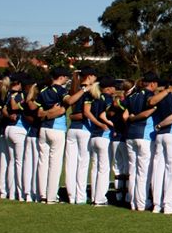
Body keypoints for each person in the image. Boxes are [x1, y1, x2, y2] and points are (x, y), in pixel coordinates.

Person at [38, 67, 85, 204]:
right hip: (56, 129)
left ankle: (42, 195)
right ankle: (51, 197)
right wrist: (83, 90)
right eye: (66, 77)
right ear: (61, 77)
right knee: (55, 165)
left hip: (44, 129)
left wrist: (48, 113)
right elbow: (70, 101)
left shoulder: (43, 91)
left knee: (43, 163)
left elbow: (39, 113)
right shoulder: (60, 90)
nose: (66, 80)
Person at [148, 74, 172, 214]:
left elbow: (151, 102)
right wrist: (161, 125)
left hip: (160, 136)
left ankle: (157, 204)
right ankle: (169, 204)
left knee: (158, 169)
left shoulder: (161, 95)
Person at [124, 72, 159, 211]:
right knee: (144, 171)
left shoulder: (132, 95)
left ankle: (133, 202)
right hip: (144, 134)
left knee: (133, 170)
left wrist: (131, 119)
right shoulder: (149, 95)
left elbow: (125, 114)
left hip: (130, 135)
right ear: (153, 83)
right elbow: (146, 112)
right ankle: (142, 202)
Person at [64, 68, 98, 204]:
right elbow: (86, 112)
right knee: (82, 164)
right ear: (90, 76)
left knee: (70, 164)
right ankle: (80, 196)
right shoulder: (90, 91)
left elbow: (72, 111)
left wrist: (72, 116)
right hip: (84, 129)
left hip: (72, 129)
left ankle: (71, 196)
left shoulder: (74, 89)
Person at [87, 77, 115, 206]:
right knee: (104, 169)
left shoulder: (96, 99)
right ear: (109, 88)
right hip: (104, 135)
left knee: (95, 168)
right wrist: (112, 124)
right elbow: (105, 115)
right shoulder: (107, 99)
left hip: (94, 136)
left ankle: (94, 196)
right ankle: (100, 198)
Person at [1, 73, 28, 201]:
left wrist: (8, 115)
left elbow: (4, 110)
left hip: (8, 129)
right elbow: (12, 107)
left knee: (11, 162)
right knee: (19, 163)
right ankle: (21, 194)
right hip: (19, 129)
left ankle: (11, 194)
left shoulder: (8, 94)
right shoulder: (21, 94)